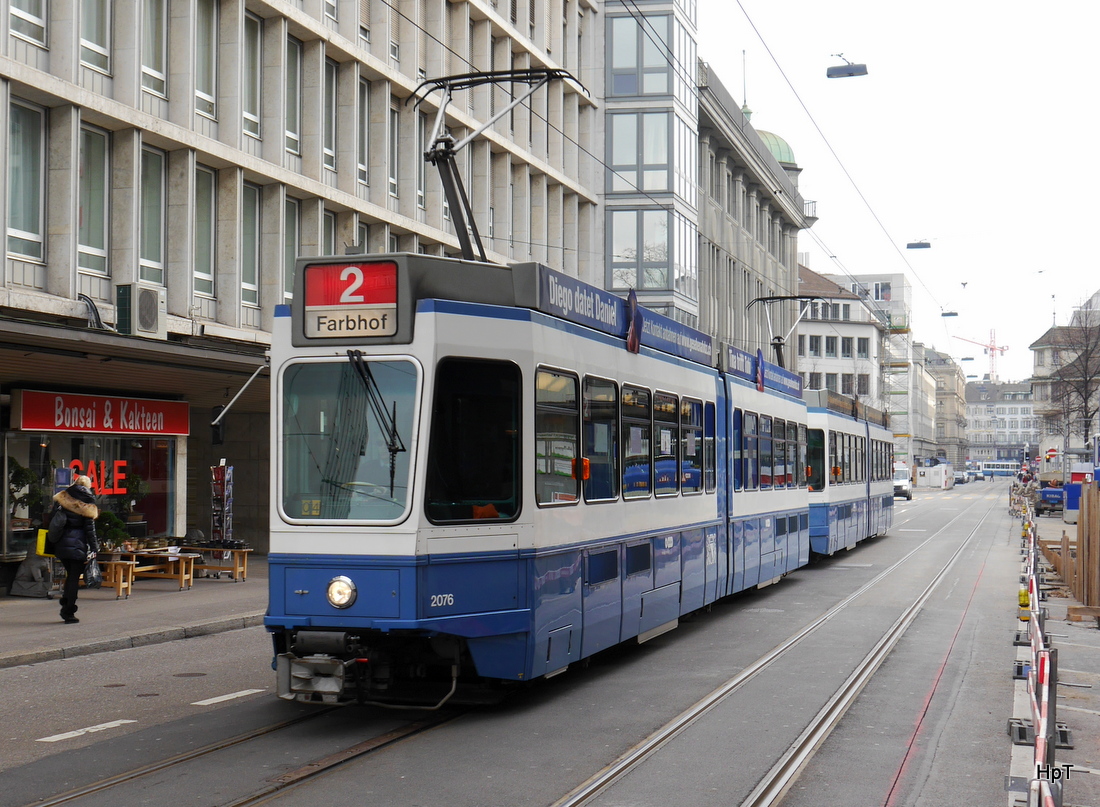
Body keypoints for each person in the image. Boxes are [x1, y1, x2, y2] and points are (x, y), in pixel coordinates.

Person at [51, 475, 99, 624]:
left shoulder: (63, 497)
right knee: (73, 578)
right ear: (88, 486)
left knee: (70, 574)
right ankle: (69, 611)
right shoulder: (88, 501)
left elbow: (53, 519)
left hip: (61, 543)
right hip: (78, 544)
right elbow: (89, 528)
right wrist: (95, 546)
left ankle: (66, 601)